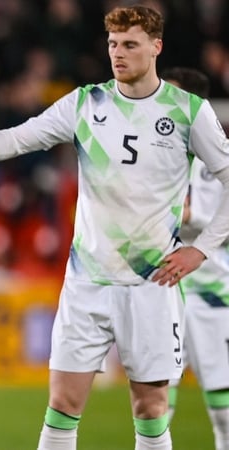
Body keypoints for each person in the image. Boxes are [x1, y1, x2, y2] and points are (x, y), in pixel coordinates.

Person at [0, 5, 229, 450]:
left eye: (130, 44)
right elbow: (24, 134)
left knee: (151, 408)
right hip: (87, 282)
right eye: (113, 44)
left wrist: (201, 249)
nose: (118, 53)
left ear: (156, 47)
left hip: (150, 283)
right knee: (63, 404)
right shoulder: (87, 102)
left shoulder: (189, 111)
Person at [162, 66, 229, 450]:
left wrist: (188, 215)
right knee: (157, 392)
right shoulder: (150, 154)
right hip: (165, 285)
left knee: (221, 400)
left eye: (171, 96)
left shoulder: (218, 157)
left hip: (211, 290)